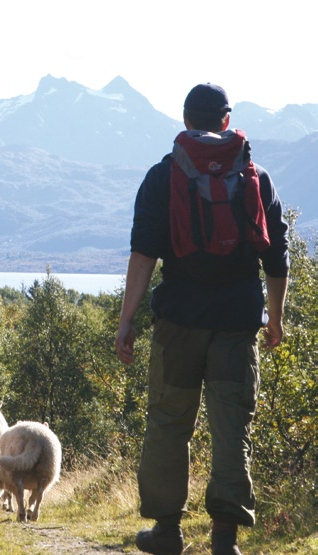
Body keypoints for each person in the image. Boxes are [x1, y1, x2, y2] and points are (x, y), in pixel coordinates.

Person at [115, 83, 289, 555]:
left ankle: (168, 533)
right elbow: (277, 258)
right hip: (237, 324)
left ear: (186, 119)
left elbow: (143, 253)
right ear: (226, 122)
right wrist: (275, 319)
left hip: (178, 324)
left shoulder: (163, 176)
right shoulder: (257, 177)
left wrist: (126, 319)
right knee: (233, 426)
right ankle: (224, 541)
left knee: (170, 422)